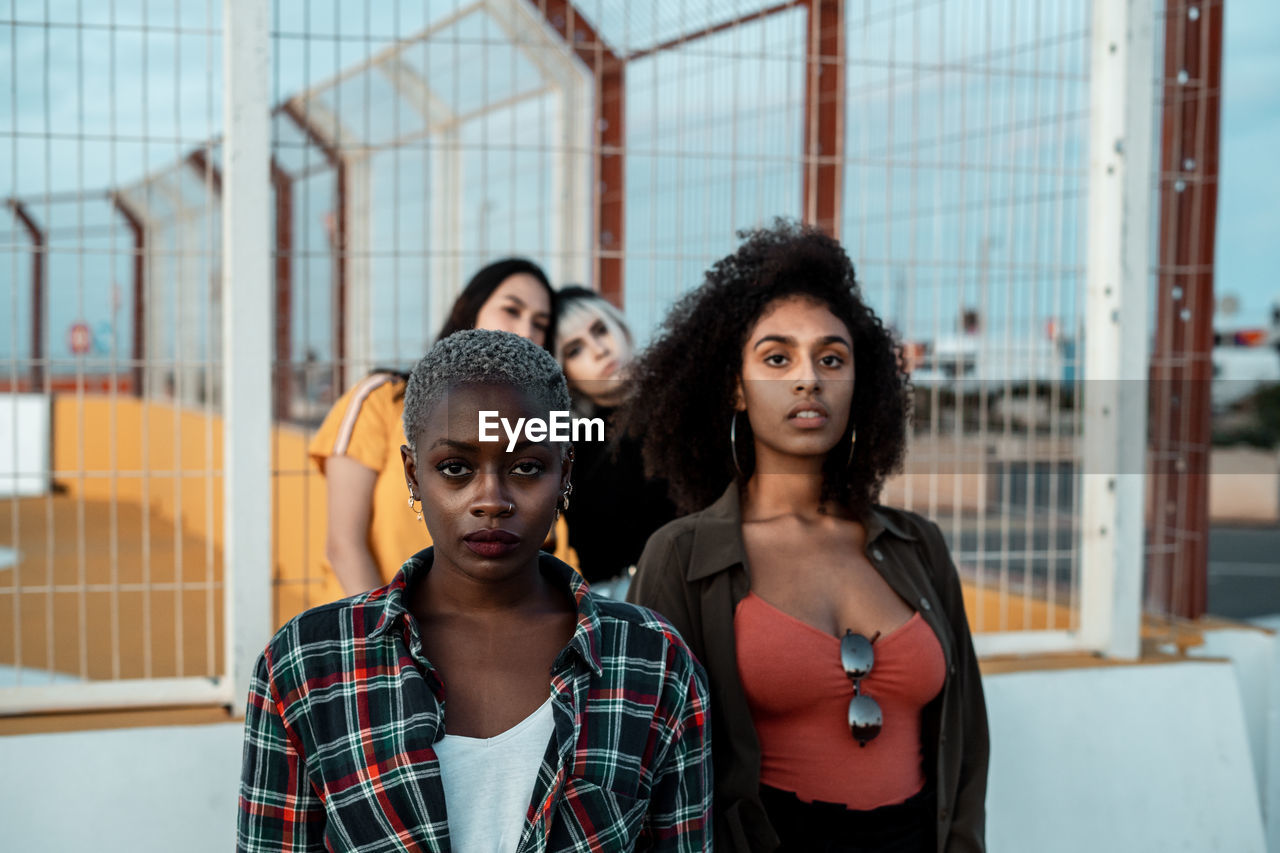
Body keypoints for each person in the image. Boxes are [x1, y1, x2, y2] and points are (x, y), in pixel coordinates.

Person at [240, 330, 713, 852]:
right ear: (413, 475)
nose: (491, 500)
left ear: (565, 476)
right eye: (456, 468)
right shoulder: (307, 664)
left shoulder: (651, 660)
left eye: (527, 467)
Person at [623, 221, 989, 852]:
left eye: (831, 358)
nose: (807, 378)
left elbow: (969, 742)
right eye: (776, 357)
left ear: (858, 383)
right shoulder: (682, 557)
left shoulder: (918, 546)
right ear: (735, 387)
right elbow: (643, 761)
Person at [308, 258, 558, 596]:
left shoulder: (534, 432)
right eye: (511, 310)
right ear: (468, 309)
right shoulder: (382, 400)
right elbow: (344, 546)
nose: (526, 331)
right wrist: (388, 637)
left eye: (539, 323)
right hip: (375, 633)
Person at [554, 286, 676, 594]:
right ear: (563, 370)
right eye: (575, 350)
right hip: (617, 599)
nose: (599, 350)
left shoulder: (679, 402)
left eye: (600, 330)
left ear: (619, 327)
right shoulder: (567, 443)